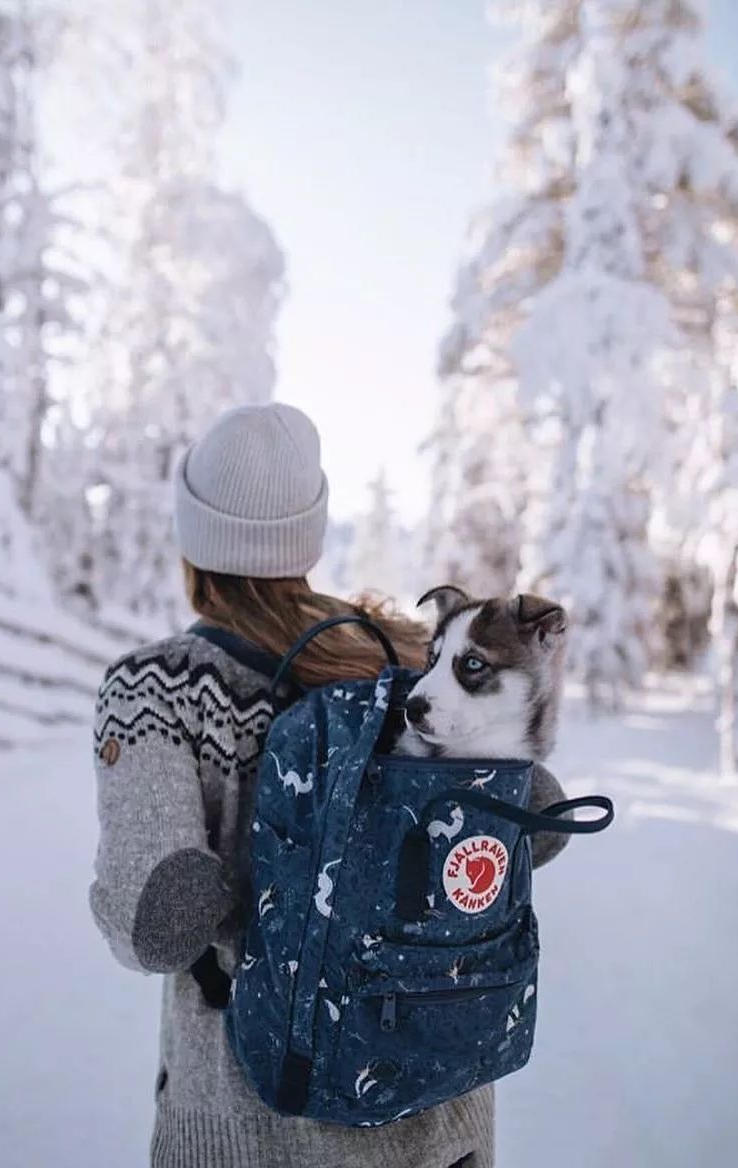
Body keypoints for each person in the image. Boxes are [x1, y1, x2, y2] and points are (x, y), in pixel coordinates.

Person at [89, 402, 569, 1168]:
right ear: (308, 534)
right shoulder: (415, 661)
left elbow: (156, 920)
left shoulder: (159, 686)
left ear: (192, 535)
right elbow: (537, 818)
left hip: (246, 1134)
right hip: (445, 1122)